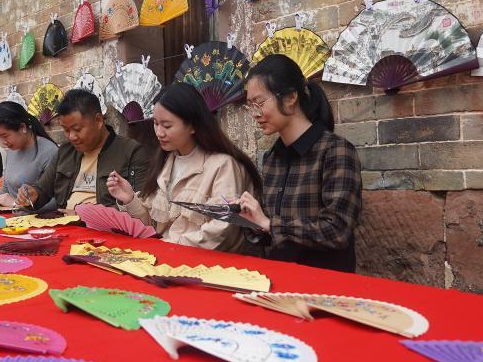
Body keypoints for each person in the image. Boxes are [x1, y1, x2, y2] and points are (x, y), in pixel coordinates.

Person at [235, 54, 362, 272]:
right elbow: (272, 233)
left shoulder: (336, 151)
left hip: (324, 281)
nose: (255, 114)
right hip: (277, 276)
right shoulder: (272, 158)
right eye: (250, 106)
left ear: (290, 98)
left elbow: (338, 231)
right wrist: (252, 221)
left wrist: (269, 224)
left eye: (259, 103)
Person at [106, 82, 260, 253]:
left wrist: (169, 245)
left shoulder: (223, 166)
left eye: (167, 125)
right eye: (156, 123)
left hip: (203, 263)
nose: (159, 133)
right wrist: (129, 199)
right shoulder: (165, 163)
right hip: (165, 256)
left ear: (192, 125)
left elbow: (222, 230)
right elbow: (151, 227)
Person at [17, 89, 148, 211]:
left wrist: (84, 214)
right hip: (66, 224)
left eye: (77, 129)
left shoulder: (131, 151)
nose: (71, 136)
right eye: (66, 130)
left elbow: (139, 206)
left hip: (105, 226)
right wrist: (32, 195)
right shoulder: (65, 152)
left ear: (98, 120)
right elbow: (42, 190)